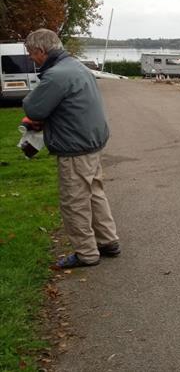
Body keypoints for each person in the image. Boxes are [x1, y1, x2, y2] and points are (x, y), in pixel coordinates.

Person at [22, 28, 120, 269]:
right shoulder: (76, 66)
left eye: (31, 54)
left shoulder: (56, 75)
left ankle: (86, 253)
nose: (31, 59)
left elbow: (33, 108)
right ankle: (108, 241)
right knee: (94, 191)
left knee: (74, 200)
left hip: (75, 145)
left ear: (41, 51)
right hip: (92, 141)